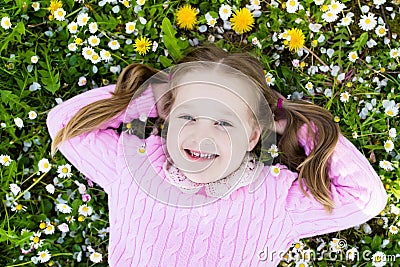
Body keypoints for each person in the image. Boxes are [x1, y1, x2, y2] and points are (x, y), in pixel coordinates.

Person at [47, 46, 387, 266]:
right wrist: (151, 94)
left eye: (224, 122)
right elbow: (64, 123)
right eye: (188, 116)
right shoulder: (134, 164)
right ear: (166, 116)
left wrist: (297, 126)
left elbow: (365, 198)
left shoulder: (276, 197)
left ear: (254, 135)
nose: (202, 135)